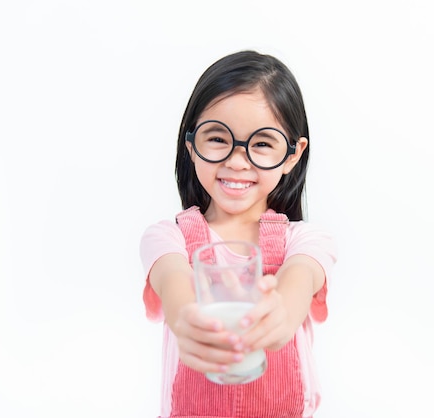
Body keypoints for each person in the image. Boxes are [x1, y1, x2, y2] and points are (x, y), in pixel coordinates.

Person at [139, 50, 337, 418]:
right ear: (191, 144)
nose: (236, 160)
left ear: (293, 155)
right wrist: (188, 320)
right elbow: (174, 282)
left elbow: (298, 283)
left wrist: (280, 310)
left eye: (262, 144)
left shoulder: (306, 242)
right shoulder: (169, 239)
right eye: (218, 139)